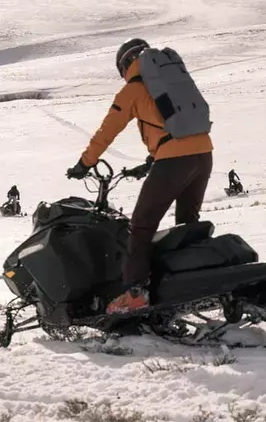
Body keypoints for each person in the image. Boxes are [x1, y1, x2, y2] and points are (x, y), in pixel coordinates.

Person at [67, 38, 213, 315]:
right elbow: (172, 124)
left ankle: (135, 293)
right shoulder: (168, 82)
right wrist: (151, 161)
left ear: (124, 65)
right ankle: (194, 279)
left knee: (141, 226)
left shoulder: (133, 90)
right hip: (203, 153)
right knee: (187, 221)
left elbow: (106, 132)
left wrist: (84, 164)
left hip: (175, 160)